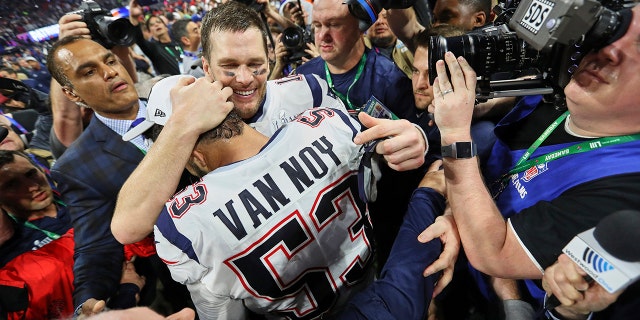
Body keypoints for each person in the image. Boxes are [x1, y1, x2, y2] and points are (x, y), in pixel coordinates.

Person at [110, 1, 428, 267]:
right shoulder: (188, 122)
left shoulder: (309, 89)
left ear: (271, 57)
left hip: (348, 255)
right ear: (205, 67)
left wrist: (413, 136)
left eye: (256, 64)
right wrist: (182, 125)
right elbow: (128, 227)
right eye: (229, 66)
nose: (246, 79)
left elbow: (369, 141)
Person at [418, 2, 640, 312]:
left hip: (497, 299)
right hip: (458, 246)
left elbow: (496, 252)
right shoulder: (573, 88)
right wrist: (438, 124)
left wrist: (454, 134)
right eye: (619, 29)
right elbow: (522, 97)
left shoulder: (628, 187)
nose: (611, 51)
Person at [46, 36, 191, 316]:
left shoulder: (183, 104)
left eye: (110, 60)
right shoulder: (76, 166)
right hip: (192, 281)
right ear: (73, 94)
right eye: (89, 71)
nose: (110, 71)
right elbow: (96, 248)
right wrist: (87, 304)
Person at [129, 0, 183, 75]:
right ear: (150, 32)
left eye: (158, 22)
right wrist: (134, 17)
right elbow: (139, 39)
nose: (156, 25)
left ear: (166, 27)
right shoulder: (154, 49)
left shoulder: (179, 42)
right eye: (152, 25)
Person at [364, 9, 414, 78]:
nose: (379, 21)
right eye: (374, 18)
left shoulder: (411, 46)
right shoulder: (358, 48)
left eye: (385, 17)